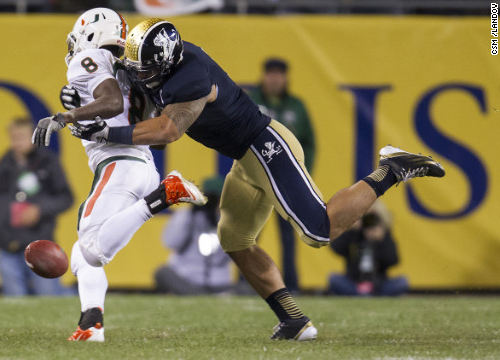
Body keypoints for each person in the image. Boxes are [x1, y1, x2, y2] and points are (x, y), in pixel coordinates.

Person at [63, 18, 445, 341]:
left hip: (265, 145)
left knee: (318, 231)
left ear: (166, 61)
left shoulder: (191, 76)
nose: (139, 73)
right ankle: (293, 319)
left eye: (146, 68)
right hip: (242, 157)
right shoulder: (151, 63)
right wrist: (80, 102)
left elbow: (166, 132)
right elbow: (130, 96)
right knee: (234, 239)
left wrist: (101, 134)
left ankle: (390, 168)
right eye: (135, 65)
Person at [31, 8, 206, 342]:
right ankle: (90, 324)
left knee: (93, 250)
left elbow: (110, 103)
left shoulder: (91, 58)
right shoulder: (131, 68)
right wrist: (76, 103)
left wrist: (64, 116)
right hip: (138, 164)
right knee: (82, 254)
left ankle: (164, 195)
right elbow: (115, 100)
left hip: (119, 164)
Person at [0, 118, 74, 296]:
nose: (17, 141)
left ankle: (73, 296)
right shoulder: (3, 167)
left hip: (39, 242)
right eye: (14, 137)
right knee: (15, 303)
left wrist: (40, 209)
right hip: (7, 243)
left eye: (22, 136)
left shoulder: (47, 162)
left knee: (49, 297)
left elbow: (66, 198)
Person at [248, 57, 316, 292]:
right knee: (249, 232)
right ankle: (247, 281)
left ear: (286, 77)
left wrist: (303, 174)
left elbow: (309, 143)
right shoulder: (251, 101)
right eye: (271, 73)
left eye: (279, 73)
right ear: (264, 76)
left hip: (286, 180)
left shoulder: (297, 106)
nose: (275, 78)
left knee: (288, 234)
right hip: (256, 177)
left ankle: (291, 283)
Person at [155, 175, 233, 295]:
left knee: (254, 282)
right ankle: (206, 297)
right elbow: (170, 242)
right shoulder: (186, 215)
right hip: (187, 279)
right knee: (162, 273)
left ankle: (208, 296)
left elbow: (236, 255)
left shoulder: (230, 222)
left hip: (218, 282)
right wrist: (190, 216)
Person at [329, 201, 409, 296]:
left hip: (379, 283)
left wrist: (381, 240)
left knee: (402, 282)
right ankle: (364, 295)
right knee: (334, 279)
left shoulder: (382, 234)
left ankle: (365, 296)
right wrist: (351, 230)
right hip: (354, 282)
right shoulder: (354, 234)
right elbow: (336, 249)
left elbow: (393, 260)